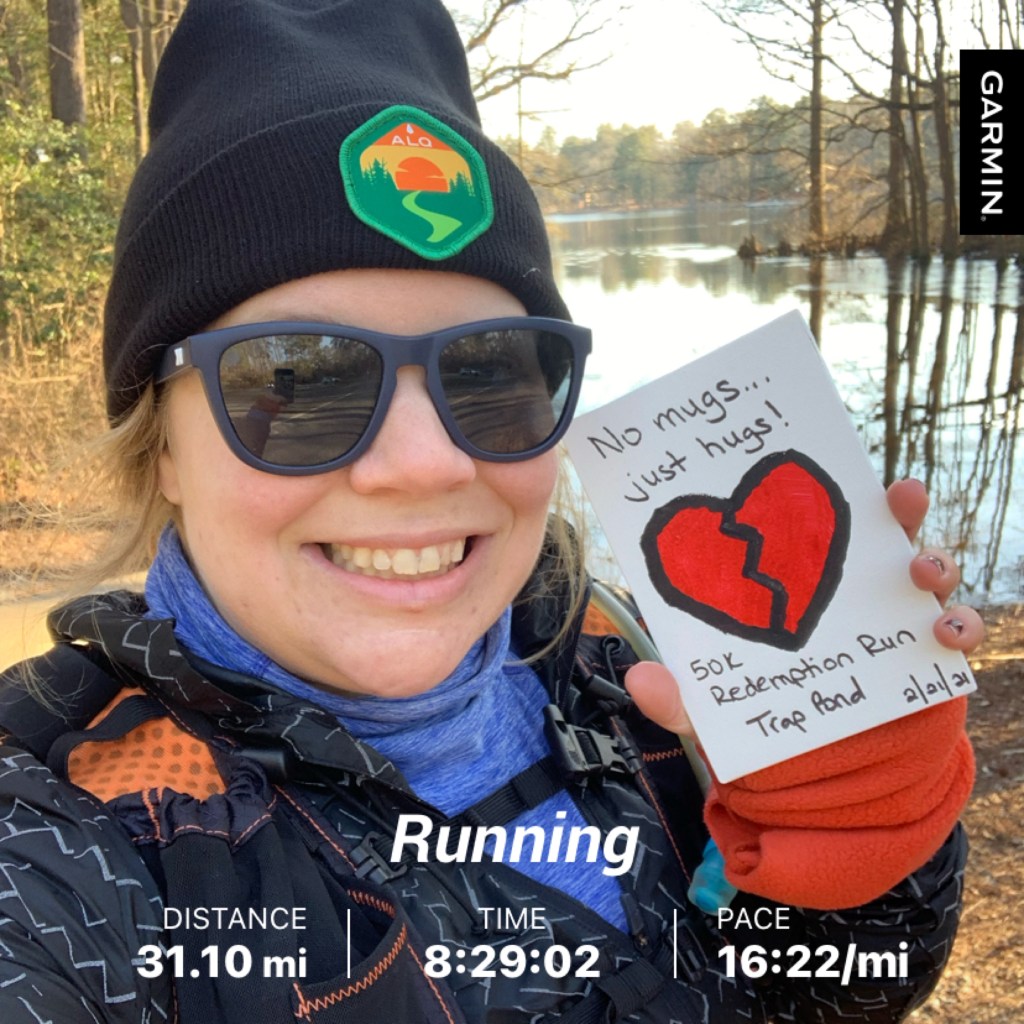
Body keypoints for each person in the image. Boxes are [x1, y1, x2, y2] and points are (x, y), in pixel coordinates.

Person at [0, 2, 983, 1022]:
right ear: (161, 442)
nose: (427, 463)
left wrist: (871, 845)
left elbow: (827, 997)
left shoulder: (630, 667)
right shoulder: (66, 839)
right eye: (300, 380)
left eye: (492, 371)